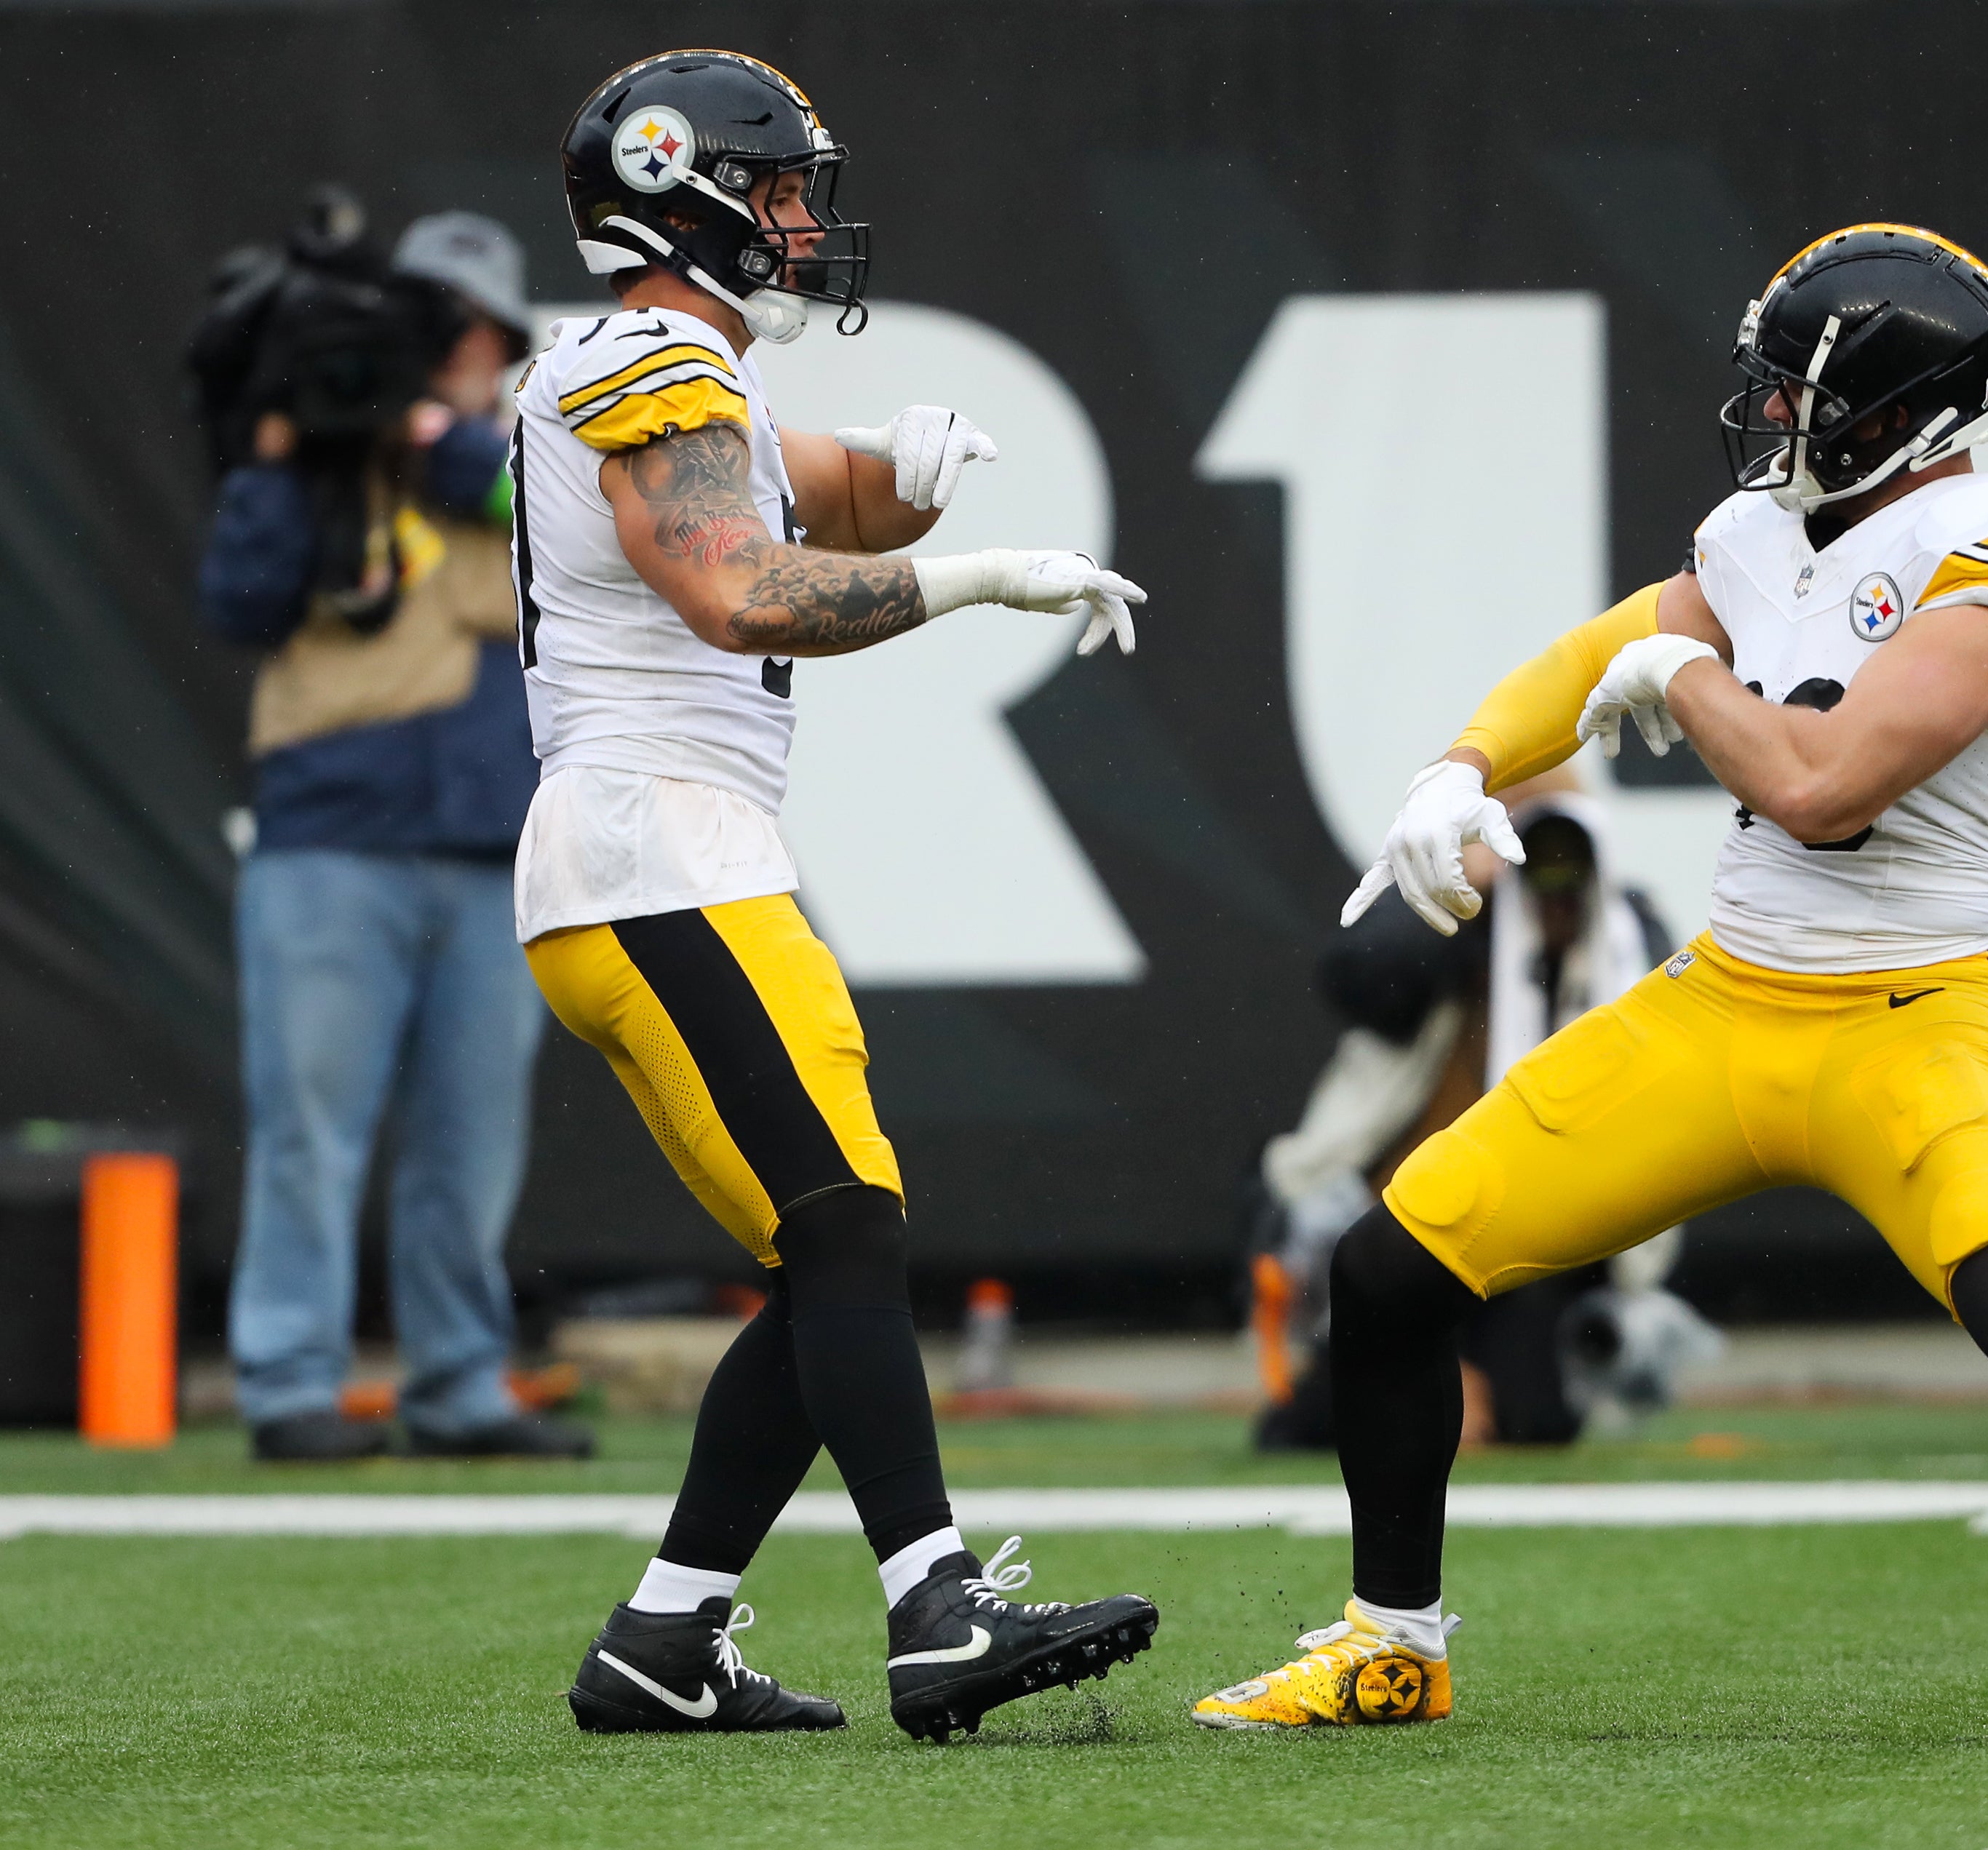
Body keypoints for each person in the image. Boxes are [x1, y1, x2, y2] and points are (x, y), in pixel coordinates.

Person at [1194, 225, 1988, 1743]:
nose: (1771, 416)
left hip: (1910, 1019)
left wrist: (1681, 682)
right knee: (1391, 1269)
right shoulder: (1764, 536)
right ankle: (1393, 1641)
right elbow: (1600, 646)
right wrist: (1460, 767)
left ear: (1909, 408)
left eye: (1800, 391)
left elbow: (1825, 785)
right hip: (1723, 1000)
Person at [519, 50, 1156, 1740]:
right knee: (847, 1221)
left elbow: (805, 487)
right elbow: (739, 584)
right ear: (694, 197)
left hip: (656, 856)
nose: (805, 220)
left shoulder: (671, 372)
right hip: (659, 848)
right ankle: (933, 1604)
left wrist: (913, 465)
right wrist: (974, 579)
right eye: (782, 187)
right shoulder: (643, 363)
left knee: (831, 1252)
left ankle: (663, 1643)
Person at [203, 206, 590, 1463]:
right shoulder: (314, 449)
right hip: (329, 845)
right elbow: (241, 602)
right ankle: (288, 1382)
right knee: (312, 1129)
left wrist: (433, 437)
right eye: (431, 326)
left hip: (494, 853)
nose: (450, 349)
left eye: (473, 329)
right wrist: (287, 453)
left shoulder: (530, 446)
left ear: (502, 342)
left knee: (472, 1146)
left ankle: (461, 1383)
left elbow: (532, 508)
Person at [1249, 789, 1698, 1452]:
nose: (1555, 894)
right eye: (1533, 858)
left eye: (1569, 865)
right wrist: (1465, 889)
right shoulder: (1454, 927)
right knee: (1312, 1426)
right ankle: (1411, 1379)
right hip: (1403, 1224)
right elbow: (1355, 976)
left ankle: (1468, 1383)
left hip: (1534, 1247)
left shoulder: (1625, 938)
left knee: (1538, 1420)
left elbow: (1679, 1019)